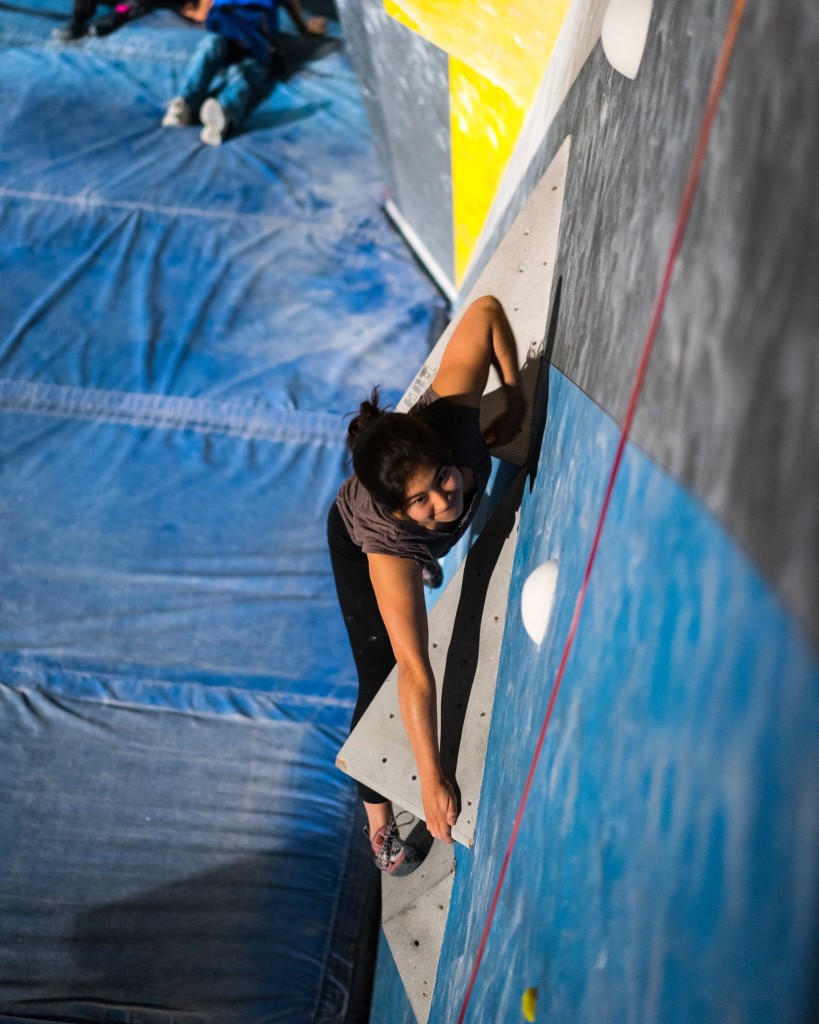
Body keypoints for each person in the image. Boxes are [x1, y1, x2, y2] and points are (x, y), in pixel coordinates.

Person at [328, 295, 524, 875]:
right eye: (422, 501)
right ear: (397, 513)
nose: (446, 501)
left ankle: (430, 561)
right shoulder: (389, 548)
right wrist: (432, 777)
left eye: (442, 478)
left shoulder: (454, 413)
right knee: (382, 667)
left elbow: (486, 310)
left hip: (415, 534)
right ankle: (378, 826)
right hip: (357, 544)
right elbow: (417, 672)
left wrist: (511, 393)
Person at [161, 0, 326, 145]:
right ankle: (186, 103)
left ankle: (223, 110)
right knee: (210, 47)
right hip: (228, 36)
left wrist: (303, 27)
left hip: (256, 44)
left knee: (247, 72)